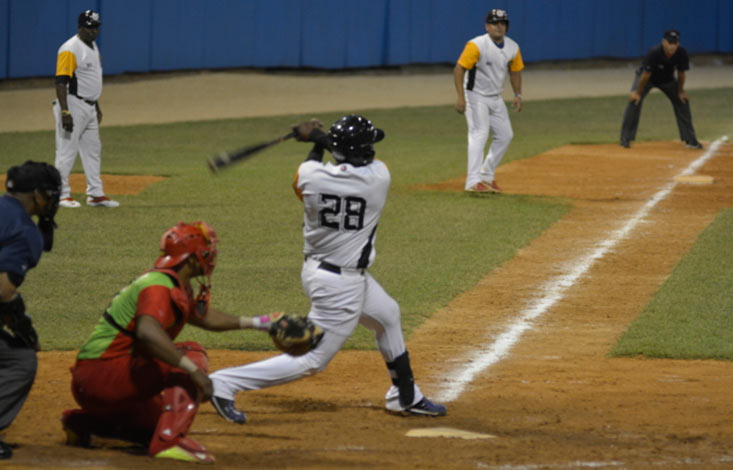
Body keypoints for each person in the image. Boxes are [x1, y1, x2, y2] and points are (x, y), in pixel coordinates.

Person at [208, 115, 447, 425]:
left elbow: (309, 171)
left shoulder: (310, 177)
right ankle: (225, 383)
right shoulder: (378, 178)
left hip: (322, 271)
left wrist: (313, 141)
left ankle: (406, 396)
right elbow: (337, 152)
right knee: (312, 359)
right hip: (340, 285)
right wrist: (316, 136)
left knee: (387, 314)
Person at [62, 221, 283, 463]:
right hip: (103, 375)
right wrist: (193, 372)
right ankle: (170, 442)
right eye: (206, 251)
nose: (211, 257)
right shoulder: (157, 286)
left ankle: (82, 422)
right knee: (191, 352)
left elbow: (205, 317)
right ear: (190, 258)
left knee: (152, 428)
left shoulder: (173, 283)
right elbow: (148, 330)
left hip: (99, 381)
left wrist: (261, 322)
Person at [0, 161, 62, 460]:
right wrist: (24, 330)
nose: (52, 200)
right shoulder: (24, 230)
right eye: (50, 194)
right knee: (19, 359)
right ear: (37, 194)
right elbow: (3, 292)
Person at [53, 10, 119, 208]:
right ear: (80, 27)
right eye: (89, 27)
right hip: (73, 104)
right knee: (66, 151)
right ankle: (61, 194)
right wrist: (65, 112)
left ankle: (95, 194)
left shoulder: (93, 45)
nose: (93, 31)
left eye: (96, 27)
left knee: (93, 150)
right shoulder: (70, 48)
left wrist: (96, 105)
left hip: (89, 107)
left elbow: (89, 81)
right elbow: (61, 82)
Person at [454, 9, 524, 194]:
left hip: (495, 97)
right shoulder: (477, 45)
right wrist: (461, 97)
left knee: (505, 135)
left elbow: (515, 71)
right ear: (487, 26)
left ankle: (486, 174)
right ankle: (472, 181)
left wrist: (518, 94)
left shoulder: (512, 47)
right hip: (475, 96)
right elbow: (459, 69)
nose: (499, 27)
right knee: (479, 133)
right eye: (495, 23)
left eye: (503, 23)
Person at [620, 29, 703, 149]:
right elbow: (645, 75)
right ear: (663, 42)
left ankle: (690, 140)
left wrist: (680, 91)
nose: (672, 46)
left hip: (667, 80)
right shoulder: (654, 52)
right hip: (647, 79)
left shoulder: (681, 53)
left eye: (675, 43)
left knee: (682, 101)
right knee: (634, 101)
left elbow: (681, 74)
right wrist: (637, 93)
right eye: (670, 43)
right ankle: (625, 139)